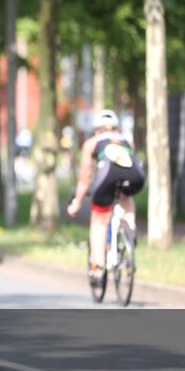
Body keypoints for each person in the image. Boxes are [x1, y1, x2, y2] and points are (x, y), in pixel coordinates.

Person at [67, 109, 145, 273]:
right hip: (136, 177)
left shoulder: (92, 143)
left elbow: (85, 178)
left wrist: (77, 202)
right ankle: (129, 227)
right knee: (125, 197)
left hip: (108, 177)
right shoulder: (127, 141)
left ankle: (98, 266)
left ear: (96, 130)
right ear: (116, 128)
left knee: (99, 220)